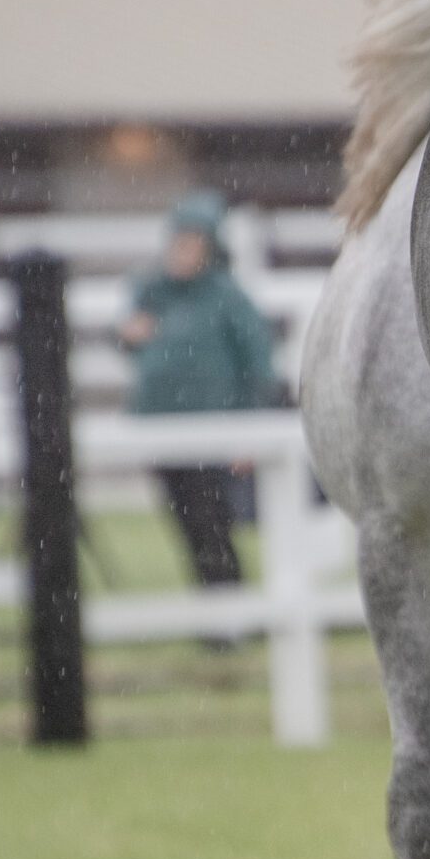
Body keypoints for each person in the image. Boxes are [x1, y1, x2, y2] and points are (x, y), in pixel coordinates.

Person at [120, 192, 278, 592]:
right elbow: (132, 343)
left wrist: (249, 429)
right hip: (160, 428)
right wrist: (128, 335)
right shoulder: (153, 291)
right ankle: (218, 601)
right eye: (179, 241)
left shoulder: (226, 297)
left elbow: (257, 362)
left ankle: (229, 601)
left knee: (211, 521)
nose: (183, 251)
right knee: (188, 524)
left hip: (212, 430)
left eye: (193, 242)